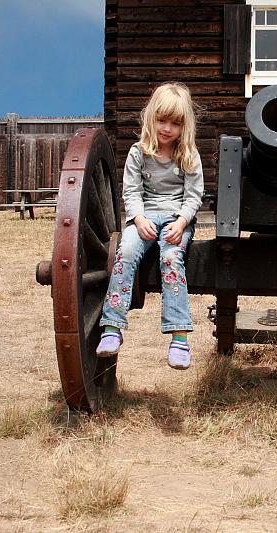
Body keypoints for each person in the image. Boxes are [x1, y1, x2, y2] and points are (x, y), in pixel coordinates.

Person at [95, 82, 204, 369]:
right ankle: (112, 328)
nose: (167, 128)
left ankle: (179, 337)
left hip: (176, 220)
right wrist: (139, 219)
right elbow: (131, 192)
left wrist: (181, 223)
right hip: (144, 217)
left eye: (175, 123)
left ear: (184, 126)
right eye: (161, 120)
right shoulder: (138, 152)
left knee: (170, 258)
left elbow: (193, 196)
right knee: (126, 252)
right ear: (151, 118)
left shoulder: (189, 156)